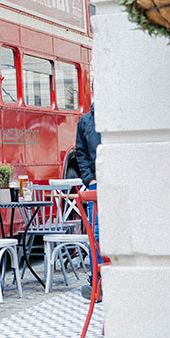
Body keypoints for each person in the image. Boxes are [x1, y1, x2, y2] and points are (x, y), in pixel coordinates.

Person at [75, 101, 100, 300]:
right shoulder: (85, 122)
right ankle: (97, 282)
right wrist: (89, 179)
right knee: (95, 235)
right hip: (96, 185)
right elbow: (80, 153)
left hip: (118, 182)